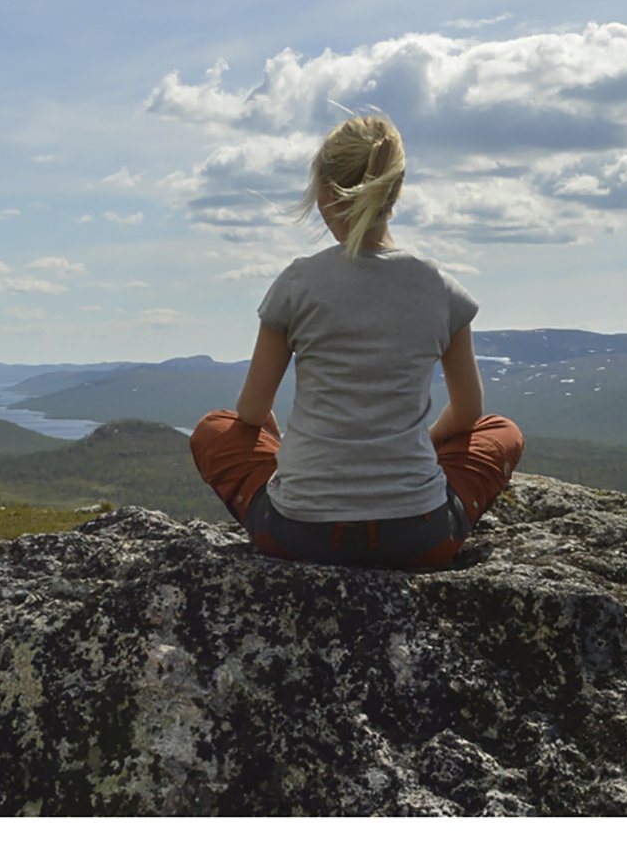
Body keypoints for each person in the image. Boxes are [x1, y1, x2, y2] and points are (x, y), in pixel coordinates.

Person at [189, 115, 523, 569]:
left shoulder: (298, 282)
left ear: (326, 192)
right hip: (419, 535)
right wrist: (420, 443)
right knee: (501, 432)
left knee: (215, 427)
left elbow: (250, 412)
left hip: (298, 534)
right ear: (396, 191)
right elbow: (468, 413)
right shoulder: (439, 287)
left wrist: (299, 459)